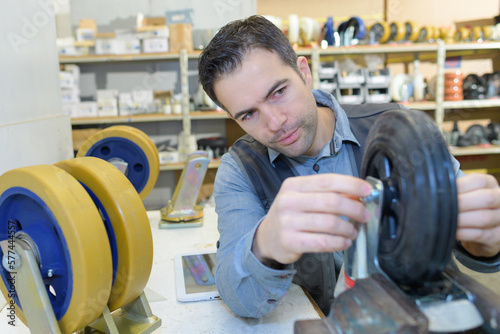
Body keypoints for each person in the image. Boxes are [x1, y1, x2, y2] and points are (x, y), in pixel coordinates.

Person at [198, 15, 500, 318]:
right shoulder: (238, 170)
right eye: (249, 114)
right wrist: (266, 243)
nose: (275, 123)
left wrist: (484, 239)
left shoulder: (399, 128)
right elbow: (239, 299)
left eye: (278, 92)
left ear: (304, 73)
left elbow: (477, 245)